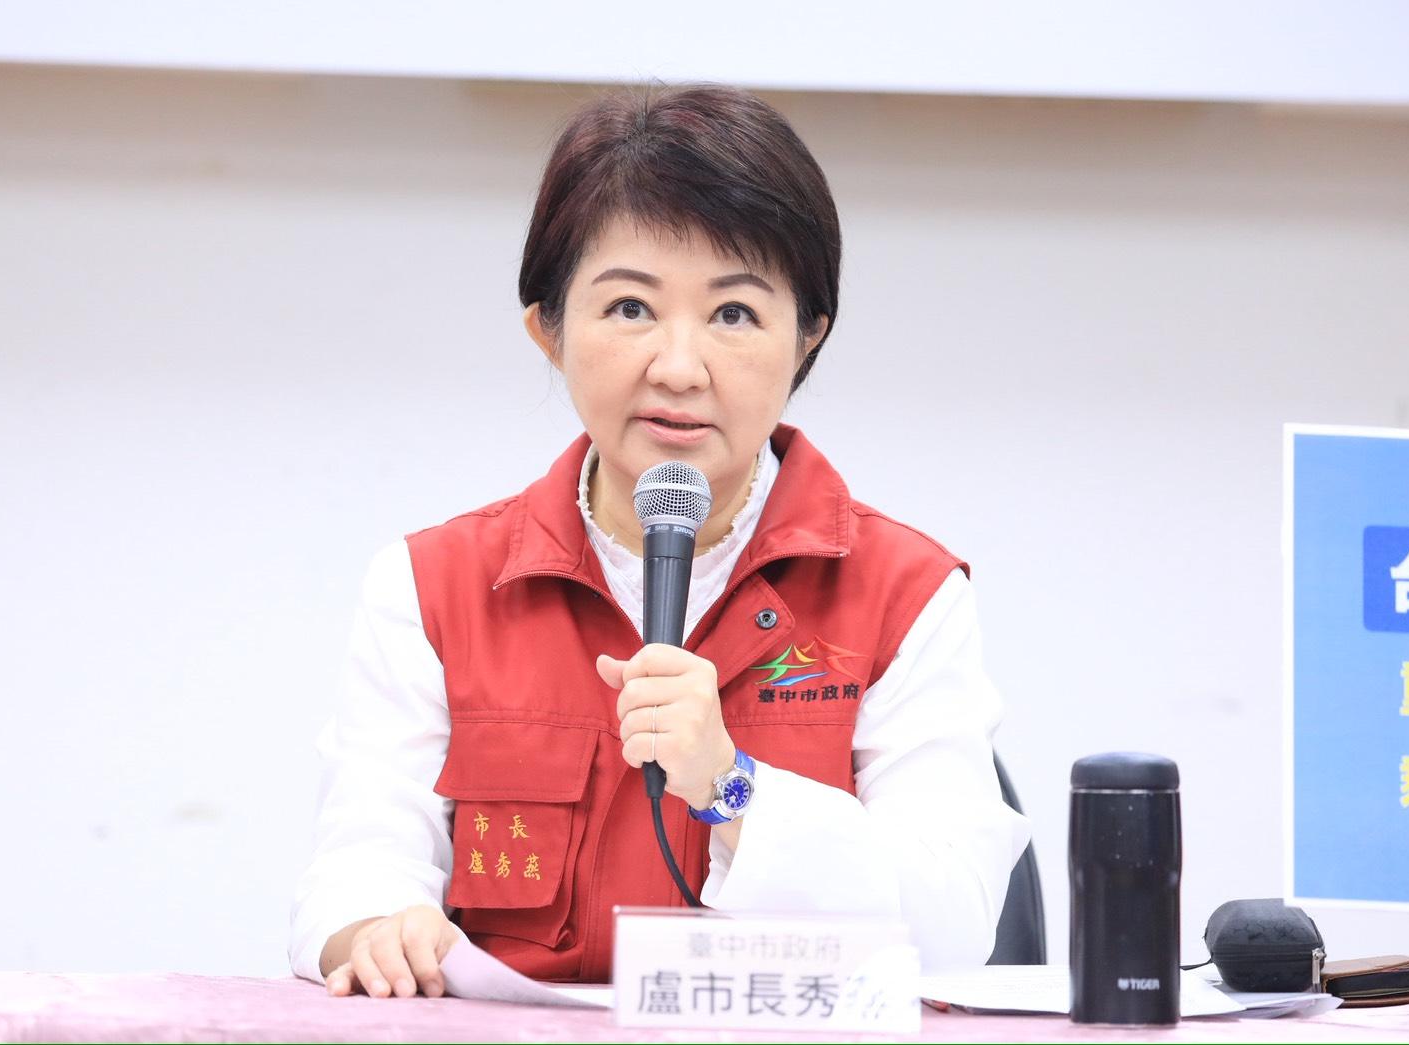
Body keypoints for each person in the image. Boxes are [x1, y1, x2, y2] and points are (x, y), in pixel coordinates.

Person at [289, 84, 1030, 998]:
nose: (678, 368)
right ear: (548, 330)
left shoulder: (904, 594)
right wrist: (376, 927)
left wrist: (730, 784)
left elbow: (953, 926)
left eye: (733, 314)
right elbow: (355, 866)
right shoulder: (433, 587)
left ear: (807, 338)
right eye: (630, 307)